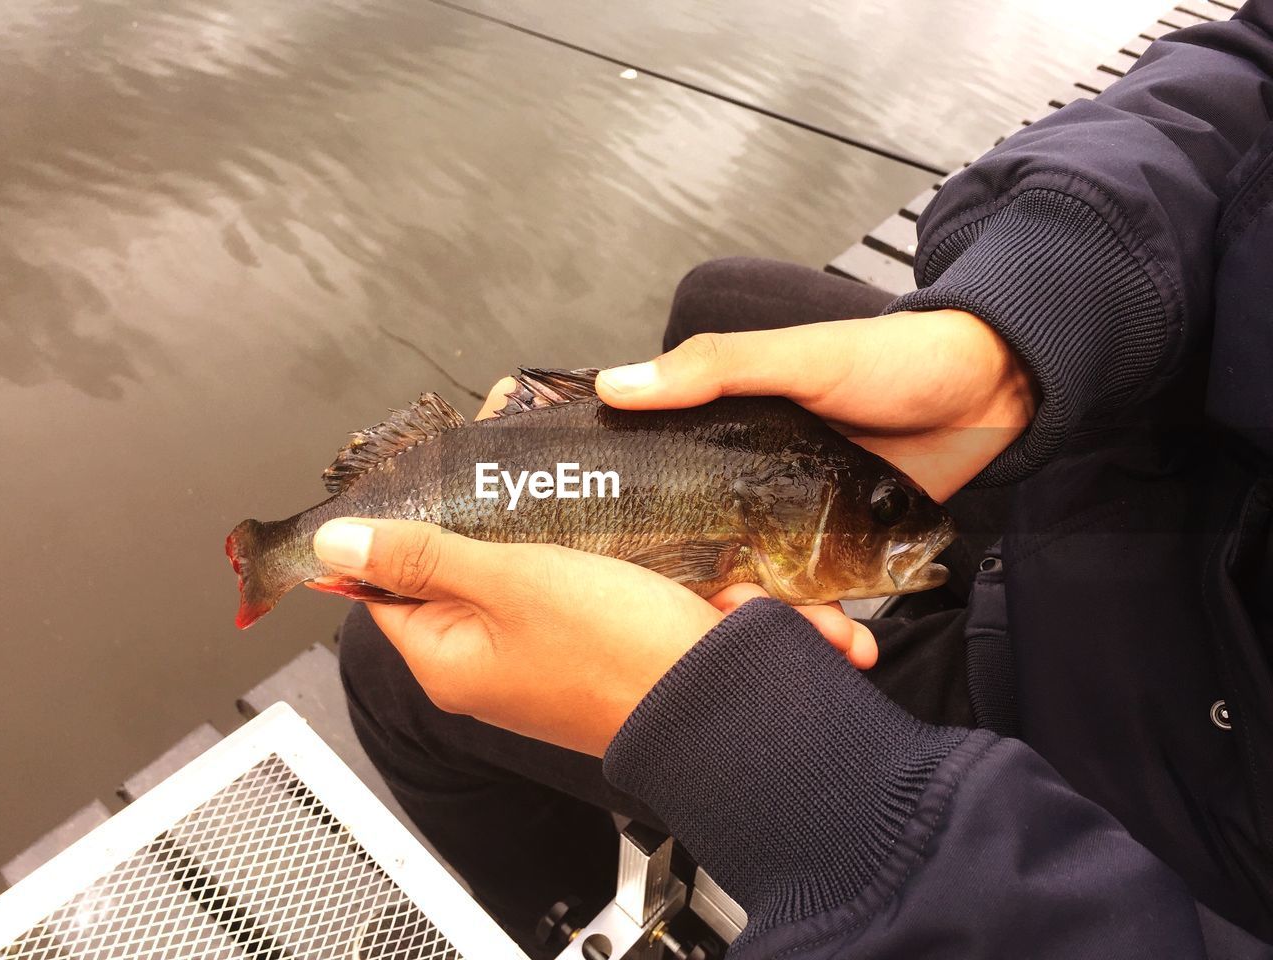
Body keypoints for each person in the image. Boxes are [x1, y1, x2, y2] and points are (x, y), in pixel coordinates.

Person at [327, 3, 1273, 956]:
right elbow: (1250, 69)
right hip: (1162, 492)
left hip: (1145, 798)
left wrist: (763, 761)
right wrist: (1020, 329)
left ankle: (582, 925)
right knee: (723, 301)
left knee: (384, 661)